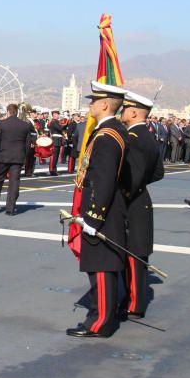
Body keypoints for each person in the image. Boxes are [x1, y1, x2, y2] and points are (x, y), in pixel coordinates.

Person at [66, 82, 128, 338]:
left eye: (93, 101)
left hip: (101, 212)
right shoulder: (114, 131)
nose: (90, 105)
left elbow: (102, 180)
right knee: (104, 267)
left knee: (101, 268)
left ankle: (100, 322)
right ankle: (106, 315)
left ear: (104, 104)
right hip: (108, 210)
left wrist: (93, 216)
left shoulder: (106, 136)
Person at [118, 91, 163, 320]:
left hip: (132, 202)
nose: (122, 111)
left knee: (134, 254)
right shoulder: (149, 136)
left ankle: (134, 303)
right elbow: (158, 172)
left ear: (133, 112)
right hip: (142, 198)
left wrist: (122, 191)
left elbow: (131, 176)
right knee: (137, 254)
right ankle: (133, 299)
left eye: (125, 108)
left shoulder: (133, 138)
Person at [0, 103, 33, 215]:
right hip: (18, 157)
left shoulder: (2, 124)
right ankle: (10, 209)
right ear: (17, 112)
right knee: (14, 183)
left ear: (8, 112)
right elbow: (28, 144)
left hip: (2, 156)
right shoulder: (25, 125)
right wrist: (25, 158)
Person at [47, 109, 64, 175]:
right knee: (54, 156)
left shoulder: (57, 121)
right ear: (54, 115)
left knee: (56, 156)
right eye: (57, 114)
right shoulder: (54, 122)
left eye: (58, 114)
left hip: (58, 140)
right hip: (55, 140)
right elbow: (60, 128)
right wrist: (64, 123)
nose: (58, 115)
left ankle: (54, 169)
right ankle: (52, 170)